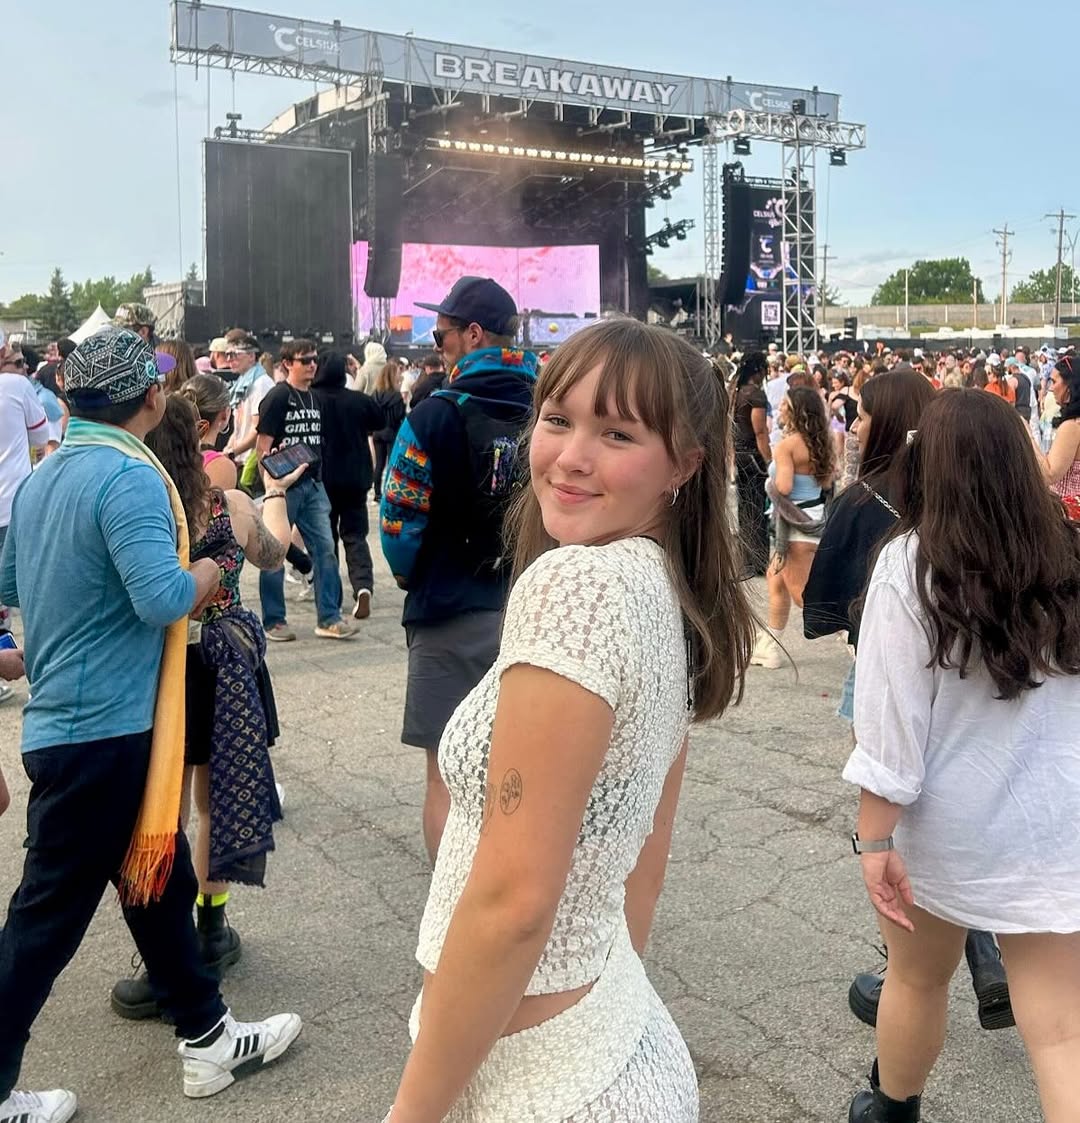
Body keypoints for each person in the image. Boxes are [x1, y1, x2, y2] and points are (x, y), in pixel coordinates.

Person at [382, 318, 755, 1123]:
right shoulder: (664, 586)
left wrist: (410, 1114)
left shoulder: (578, 589)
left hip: (546, 1082)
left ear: (684, 463)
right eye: (558, 419)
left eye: (617, 433)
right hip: (612, 1043)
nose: (571, 456)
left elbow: (514, 901)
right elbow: (645, 856)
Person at [0, 329, 301, 1123]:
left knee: (154, 877)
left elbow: (12, 583)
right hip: (104, 730)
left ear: (66, 398)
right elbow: (162, 598)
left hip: (73, 722)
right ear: (152, 398)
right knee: (44, 919)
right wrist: (216, 564)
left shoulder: (43, 477)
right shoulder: (129, 475)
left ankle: (207, 1034)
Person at [843, 389, 1080, 1123]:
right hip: (1055, 821)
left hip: (947, 826)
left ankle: (892, 1109)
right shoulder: (1068, 554)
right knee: (1061, 1028)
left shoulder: (912, 564)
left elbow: (890, 726)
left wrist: (874, 839)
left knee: (917, 979)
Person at [110, 391, 301, 1021]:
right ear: (199, 440)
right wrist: (275, 494)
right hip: (225, 665)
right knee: (213, 801)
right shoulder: (230, 506)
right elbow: (273, 555)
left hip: (159, 668)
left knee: (160, 806)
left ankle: (163, 947)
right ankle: (211, 927)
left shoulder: (141, 510)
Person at [380, 277, 536, 863]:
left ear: (472, 335)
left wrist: (409, 573)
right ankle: (513, 890)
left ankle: (453, 907)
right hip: (535, 608)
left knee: (447, 770)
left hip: (448, 608)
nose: (436, 345)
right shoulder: (554, 410)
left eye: (440, 334)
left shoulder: (432, 416)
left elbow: (398, 519)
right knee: (521, 769)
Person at [256, 337, 356, 640]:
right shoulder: (278, 396)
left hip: (313, 483)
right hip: (285, 485)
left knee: (326, 550)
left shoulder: (315, 397)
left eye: (315, 359)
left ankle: (329, 617)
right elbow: (263, 446)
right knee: (274, 551)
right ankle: (274, 620)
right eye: (305, 360)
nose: (312, 365)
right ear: (288, 364)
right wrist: (271, 487)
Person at [751, 386, 835, 669]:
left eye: (785, 404)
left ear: (795, 411)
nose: (781, 408)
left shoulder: (787, 446)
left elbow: (784, 487)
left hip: (793, 527)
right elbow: (826, 482)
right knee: (776, 580)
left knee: (803, 597)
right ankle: (771, 647)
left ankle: (853, 637)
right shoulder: (822, 442)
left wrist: (769, 483)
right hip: (812, 519)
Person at [311, 351, 387, 621]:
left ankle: (331, 595)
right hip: (356, 477)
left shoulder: (311, 400)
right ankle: (363, 586)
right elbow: (380, 420)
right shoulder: (358, 400)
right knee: (355, 535)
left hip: (323, 478)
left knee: (326, 540)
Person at [0, 340, 49, 702]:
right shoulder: (16, 386)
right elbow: (41, 436)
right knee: (32, 594)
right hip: (13, 505)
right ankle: (41, 676)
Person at [731, 351, 771, 576]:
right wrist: (769, 460)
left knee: (744, 508)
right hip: (754, 457)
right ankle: (758, 560)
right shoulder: (756, 395)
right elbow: (760, 431)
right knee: (758, 508)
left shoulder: (736, 391)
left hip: (739, 454)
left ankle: (746, 558)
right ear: (759, 370)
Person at [1033, 354, 1080, 516]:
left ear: (1070, 386)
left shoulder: (1072, 427)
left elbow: (1049, 473)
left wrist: (1025, 434)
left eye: (1054, 381)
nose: (1051, 388)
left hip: (1068, 511)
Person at [221, 329, 274, 471]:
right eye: (227, 354)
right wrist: (228, 449)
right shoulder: (242, 383)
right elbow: (239, 428)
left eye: (234, 354)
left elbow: (258, 429)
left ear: (251, 356)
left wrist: (232, 453)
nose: (229, 359)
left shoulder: (261, 384)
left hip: (253, 462)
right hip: (240, 460)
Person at [371, 360, 407, 502]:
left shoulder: (375, 394)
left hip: (377, 432)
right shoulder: (396, 396)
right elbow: (399, 416)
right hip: (391, 432)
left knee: (379, 464)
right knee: (391, 464)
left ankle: (377, 493)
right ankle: (388, 491)